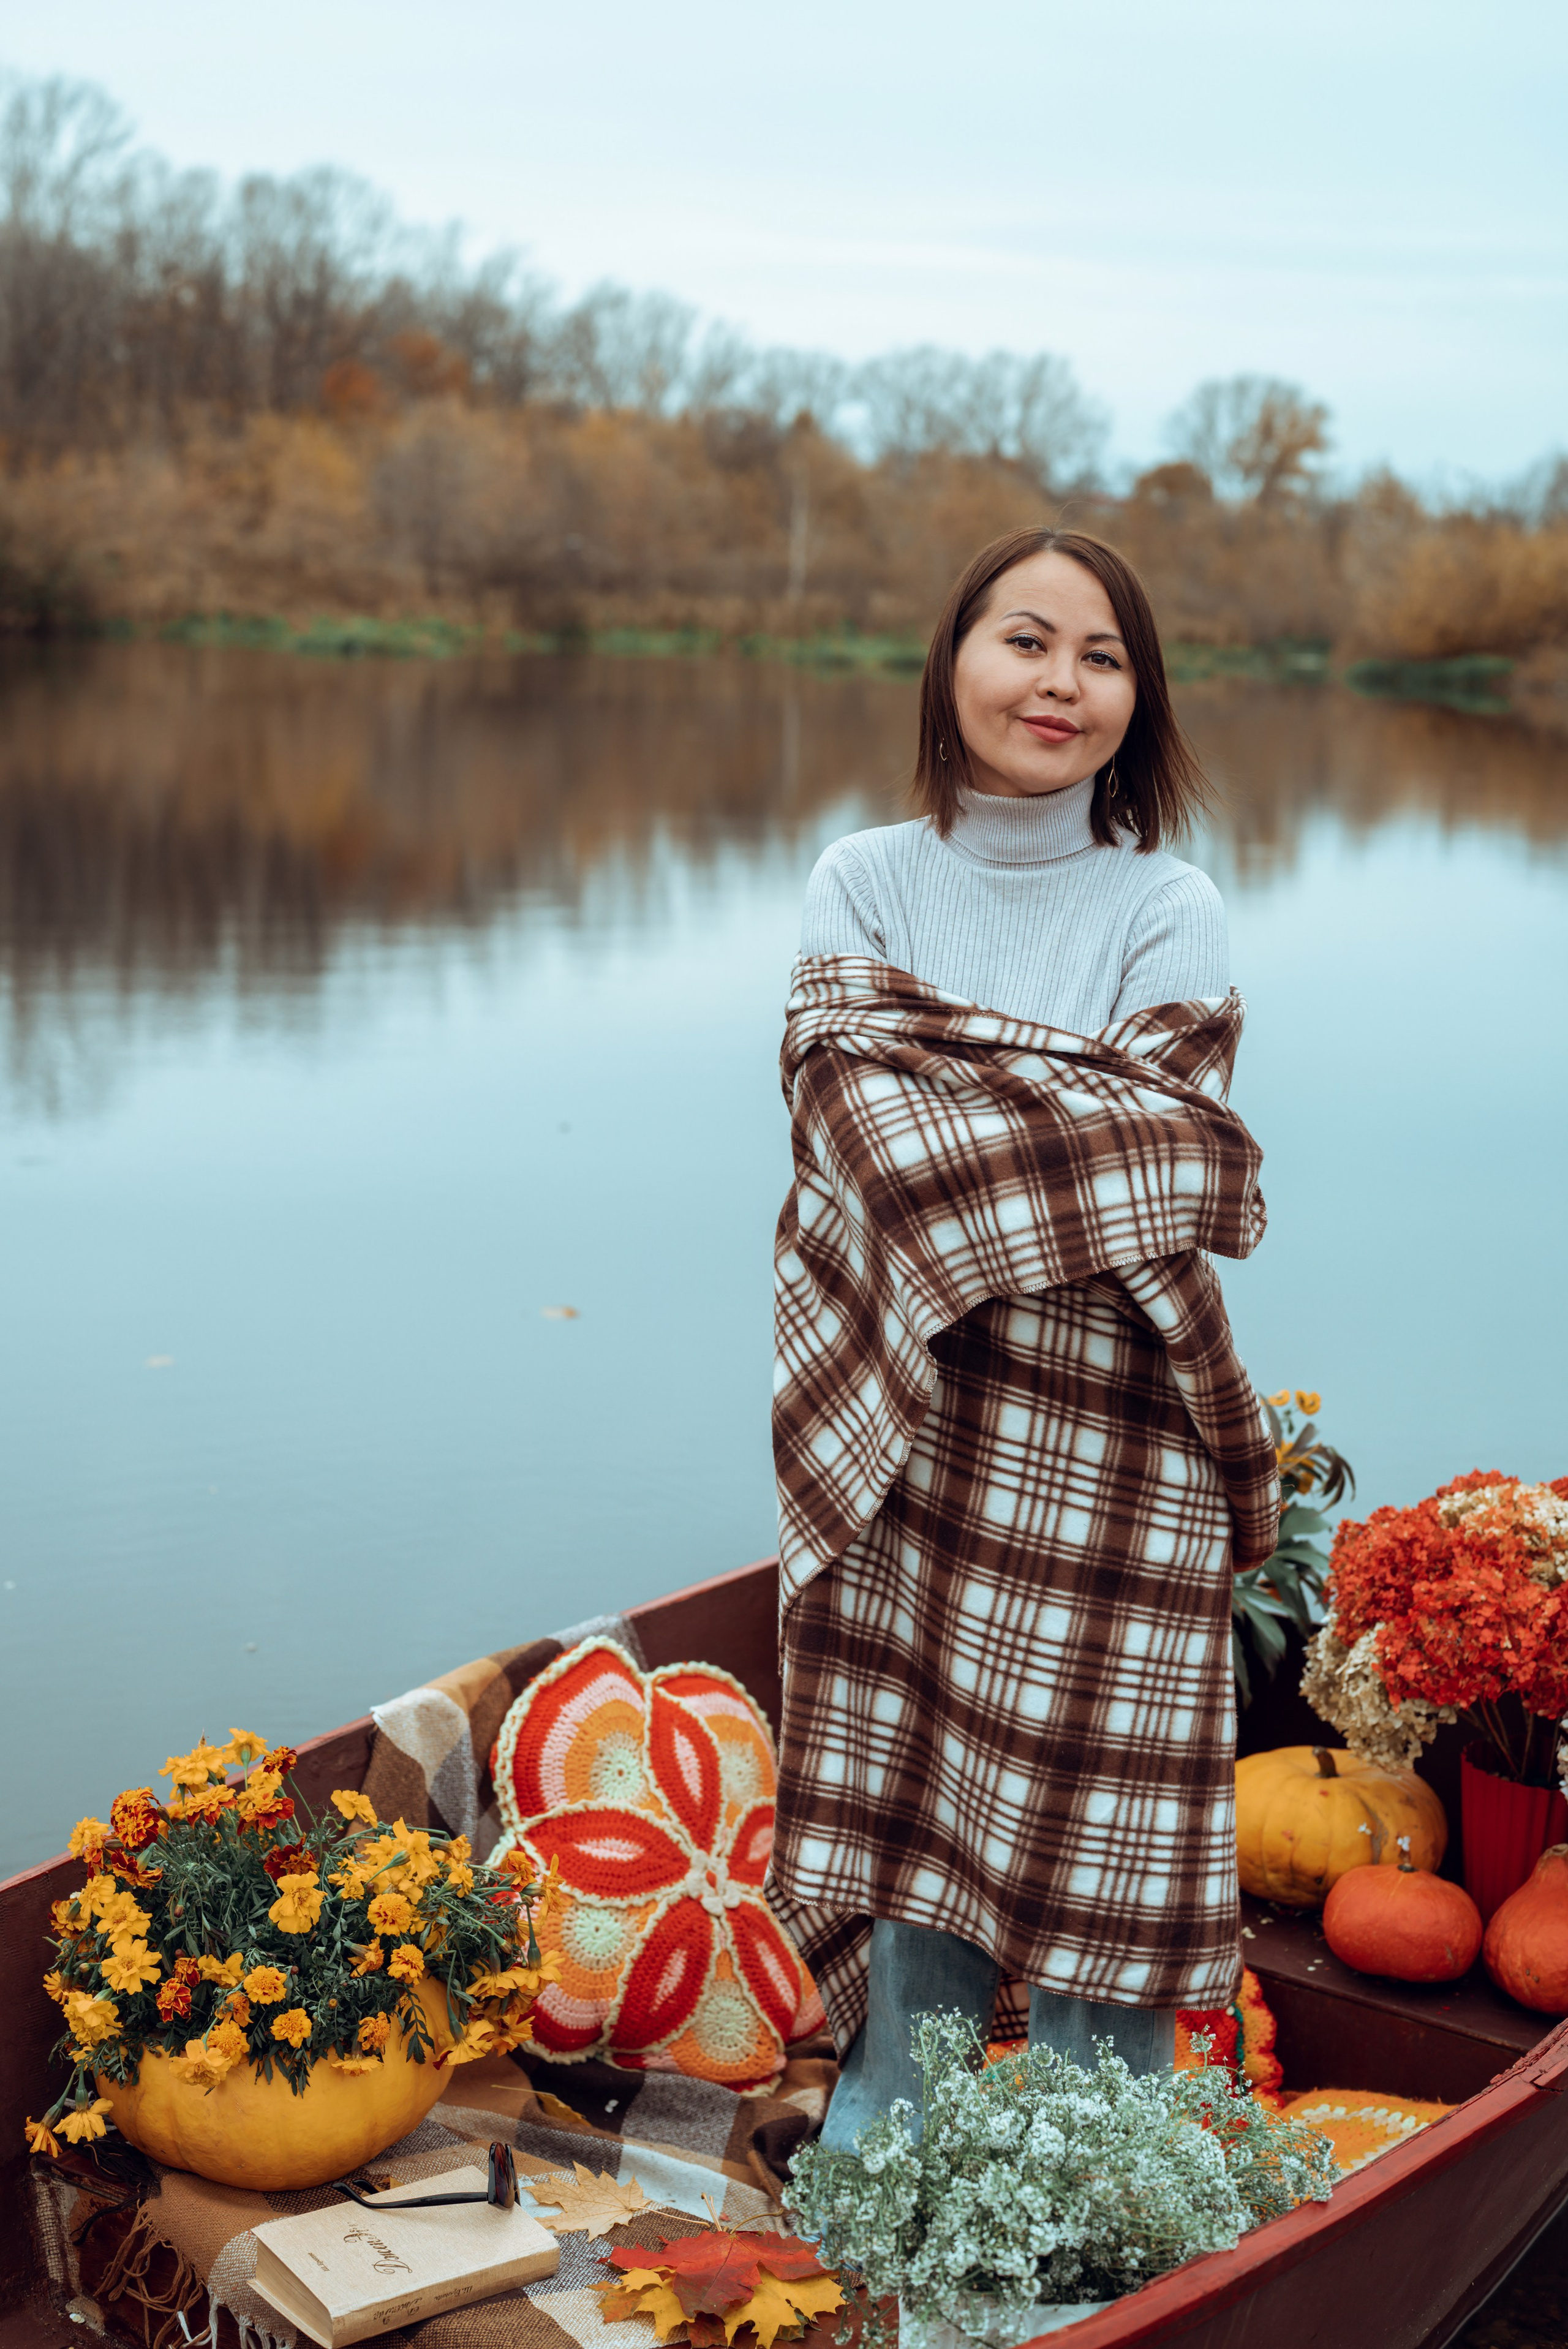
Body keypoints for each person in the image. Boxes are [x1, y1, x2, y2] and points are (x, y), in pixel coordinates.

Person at [764, 526, 1280, 2151]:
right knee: (917, 1845)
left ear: (1141, 696)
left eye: (1102, 654)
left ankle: (1090, 2237)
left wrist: (969, 1096)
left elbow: (1178, 1157)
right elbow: (865, 1141)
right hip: (911, 1430)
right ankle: (885, 2179)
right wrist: (1066, 1115)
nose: (1061, 682)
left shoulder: (1167, 900)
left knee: (1105, 1915)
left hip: (1130, 1456)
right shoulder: (863, 876)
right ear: (954, 661)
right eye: (1025, 639)